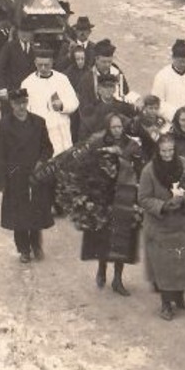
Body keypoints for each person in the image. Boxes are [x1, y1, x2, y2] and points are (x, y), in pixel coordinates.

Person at [74, 113, 143, 296]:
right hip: (103, 197)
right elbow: (88, 166)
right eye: (114, 127)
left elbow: (139, 166)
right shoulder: (98, 144)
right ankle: (102, 267)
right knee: (104, 236)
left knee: (122, 238)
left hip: (124, 196)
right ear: (107, 128)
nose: (118, 130)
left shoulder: (131, 145)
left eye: (120, 127)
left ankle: (118, 278)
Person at [138, 131, 185, 319]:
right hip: (160, 226)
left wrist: (184, 201)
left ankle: (178, 295)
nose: (167, 154)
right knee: (164, 266)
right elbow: (143, 198)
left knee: (180, 262)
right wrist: (163, 205)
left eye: (170, 150)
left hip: (181, 224)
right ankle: (166, 303)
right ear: (158, 150)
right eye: (163, 151)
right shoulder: (149, 170)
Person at [0, 87, 54, 263]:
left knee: (36, 214)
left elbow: (47, 148)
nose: (21, 107)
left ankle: (36, 246)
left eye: (24, 102)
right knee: (19, 216)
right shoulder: (4, 126)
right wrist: (1, 183)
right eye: (17, 103)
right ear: (11, 104)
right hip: (15, 178)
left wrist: (41, 161)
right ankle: (24, 249)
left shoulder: (38, 123)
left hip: (35, 176)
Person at [21, 44, 79, 155]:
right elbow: (24, 110)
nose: (43, 68)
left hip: (62, 129)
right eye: (40, 65)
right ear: (35, 63)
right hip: (41, 133)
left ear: (52, 63)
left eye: (46, 65)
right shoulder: (27, 83)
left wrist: (62, 105)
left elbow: (74, 102)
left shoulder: (62, 79)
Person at [152, 39, 185, 124]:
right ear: (173, 58)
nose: (182, 64)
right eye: (180, 61)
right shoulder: (162, 76)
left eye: (184, 61)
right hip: (170, 122)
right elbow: (157, 102)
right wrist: (176, 114)